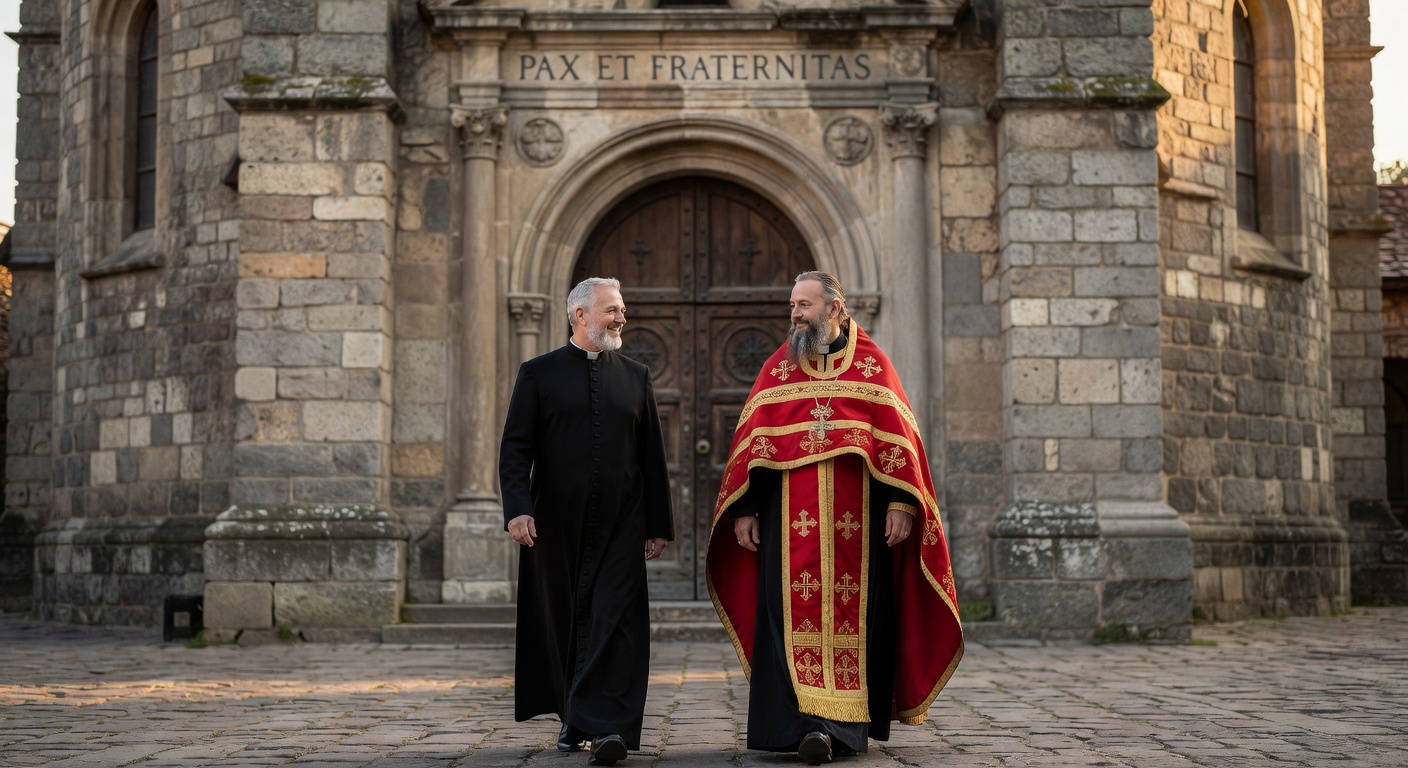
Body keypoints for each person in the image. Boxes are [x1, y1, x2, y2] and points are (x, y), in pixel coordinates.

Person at [706, 272, 963, 765]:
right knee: (785, 621)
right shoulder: (779, 369)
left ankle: (838, 730)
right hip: (788, 530)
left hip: (859, 532)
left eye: (804, 305)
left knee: (857, 622)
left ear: (836, 309)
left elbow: (899, 448)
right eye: (792, 306)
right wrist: (744, 509)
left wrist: (902, 504)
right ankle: (795, 727)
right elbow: (751, 448)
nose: (796, 315)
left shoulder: (873, 367)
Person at [499, 277, 674, 766]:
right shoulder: (537, 374)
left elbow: (651, 457)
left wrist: (658, 524)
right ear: (579, 315)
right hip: (556, 522)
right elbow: (515, 448)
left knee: (612, 619)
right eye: (612, 310)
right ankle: (574, 717)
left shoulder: (636, 375)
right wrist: (517, 508)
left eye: (621, 310)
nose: (621, 318)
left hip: (622, 520)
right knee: (564, 620)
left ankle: (609, 727)